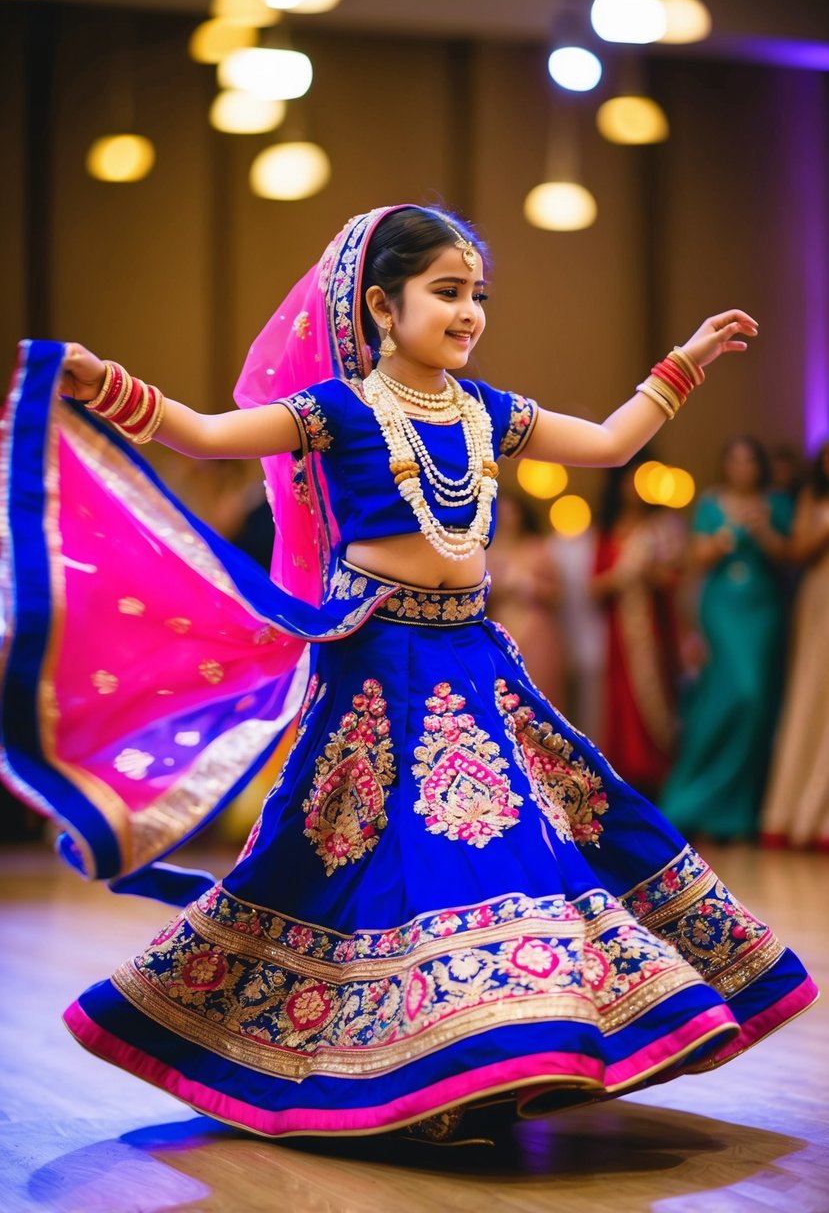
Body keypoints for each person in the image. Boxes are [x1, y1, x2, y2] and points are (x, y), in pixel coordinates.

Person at [0, 205, 816, 1142]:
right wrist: (110, 384)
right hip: (376, 666)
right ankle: (429, 1069)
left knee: (527, 846)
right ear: (383, 307)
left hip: (472, 662)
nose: (469, 312)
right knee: (393, 865)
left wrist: (684, 362)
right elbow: (206, 435)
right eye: (447, 292)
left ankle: (499, 1055)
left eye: (478, 295)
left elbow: (605, 443)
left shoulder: (487, 412)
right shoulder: (336, 411)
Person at [660, 436, 793, 842]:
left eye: (749, 461)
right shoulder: (711, 504)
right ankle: (689, 802)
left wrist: (764, 530)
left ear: (759, 466)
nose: (742, 468)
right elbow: (694, 559)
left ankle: (737, 813)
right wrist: (726, 536)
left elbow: (789, 556)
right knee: (732, 695)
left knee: (755, 702)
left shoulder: (778, 504)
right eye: (734, 460)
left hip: (763, 610)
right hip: (721, 610)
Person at [590, 454, 685, 800]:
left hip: (654, 630)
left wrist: (649, 571)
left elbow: (675, 579)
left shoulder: (660, 529)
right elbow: (594, 588)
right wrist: (622, 576)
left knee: (657, 697)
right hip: (620, 634)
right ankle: (627, 779)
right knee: (622, 701)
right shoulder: (608, 532)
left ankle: (659, 779)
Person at [761, 439, 829, 850]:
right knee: (811, 696)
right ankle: (795, 814)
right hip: (821, 598)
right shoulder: (813, 497)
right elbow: (798, 550)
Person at [485, 492, 564, 704]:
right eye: (502, 512)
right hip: (499, 627)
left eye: (512, 512)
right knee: (503, 693)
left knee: (540, 691)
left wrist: (529, 586)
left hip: (535, 627)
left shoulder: (537, 548)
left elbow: (557, 595)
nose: (508, 518)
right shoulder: (486, 550)